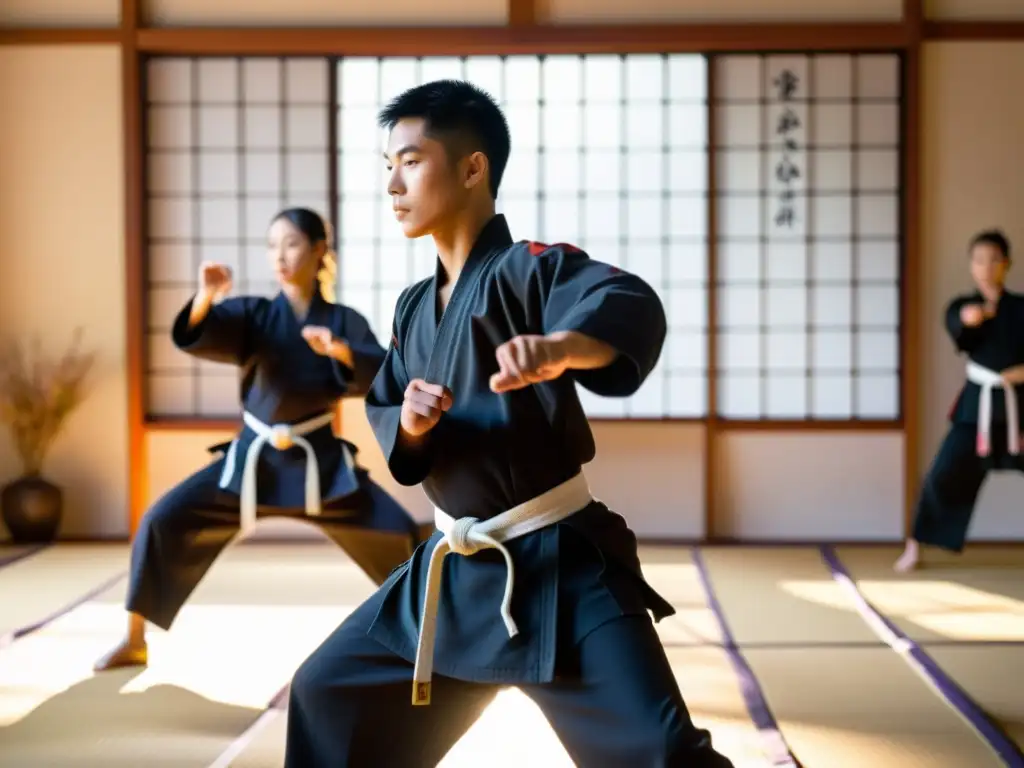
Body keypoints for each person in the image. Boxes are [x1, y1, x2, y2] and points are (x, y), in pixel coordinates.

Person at [283, 81, 733, 767]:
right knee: (325, 694)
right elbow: (397, 431)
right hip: (453, 574)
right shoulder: (411, 309)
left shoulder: (530, 269)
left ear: (473, 168)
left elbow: (626, 300)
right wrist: (410, 424)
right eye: (387, 167)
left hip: (559, 568)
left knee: (660, 752)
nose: (393, 184)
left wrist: (561, 349)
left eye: (410, 161)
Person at [94, 207, 420, 671]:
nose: (279, 256)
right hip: (252, 460)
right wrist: (206, 296)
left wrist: (340, 350)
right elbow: (199, 332)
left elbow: (378, 371)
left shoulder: (342, 321)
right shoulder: (255, 314)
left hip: (319, 465)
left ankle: (427, 635)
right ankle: (133, 639)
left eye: (290, 244)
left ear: (318, 249)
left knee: (399, 533)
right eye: (272, 246)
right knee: (162, 520)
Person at [896, 229, 1024, 573]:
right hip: (976, 409)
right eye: (979, 260)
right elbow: (960, 329)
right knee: (943, 474)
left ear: (1006, 264)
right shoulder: (961, 307)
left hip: (1019, 408)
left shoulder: (1021, 309)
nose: (987, 266)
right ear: (971, 266)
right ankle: (914, 545)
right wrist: (969, 319)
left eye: (994, 259)